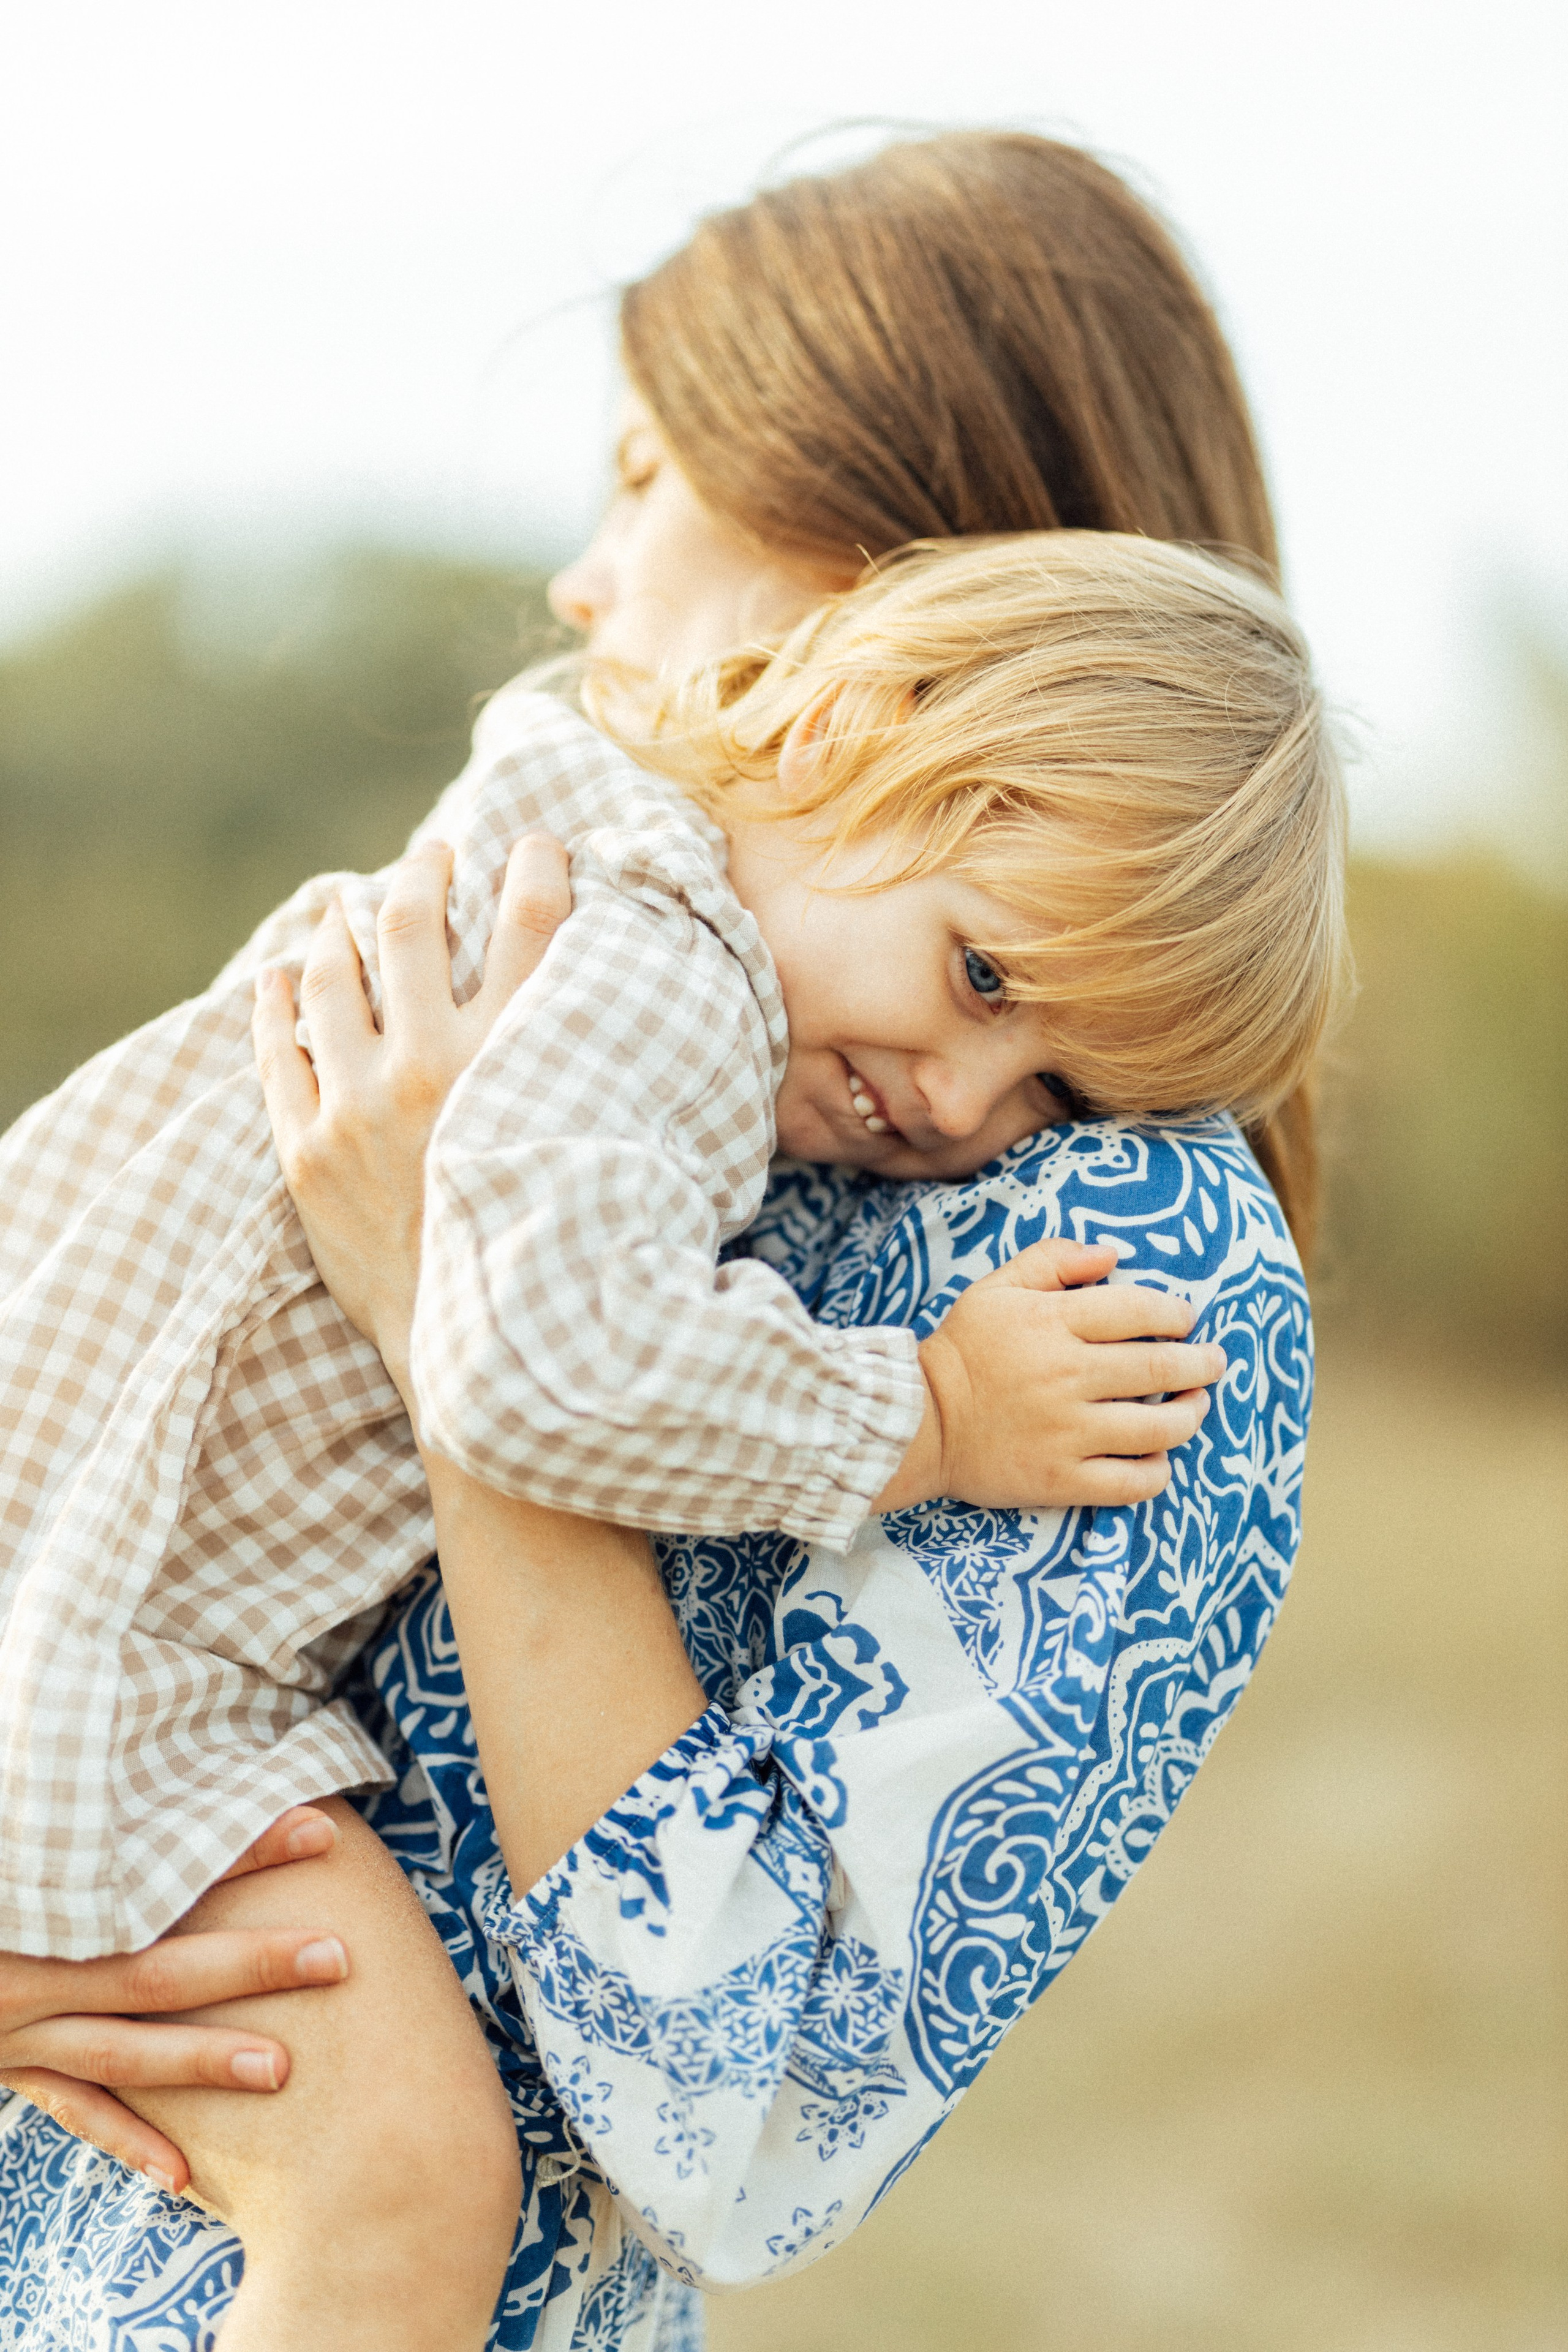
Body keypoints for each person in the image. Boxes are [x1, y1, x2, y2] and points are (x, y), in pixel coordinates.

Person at [0, 130, 1333, 2352]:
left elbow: (742, 2119)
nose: (589, 582)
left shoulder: (1110, 1273)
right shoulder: (611, 957)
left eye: (651, 472)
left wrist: (448, 1297)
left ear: (880, 575)